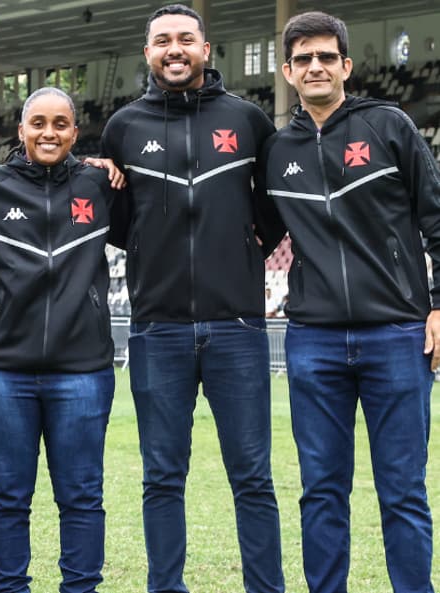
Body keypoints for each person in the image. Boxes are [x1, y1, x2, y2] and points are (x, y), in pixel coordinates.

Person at [100, 5, 286, 593]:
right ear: (148, 53)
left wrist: (243, 243)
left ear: (206, 49)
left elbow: (275, 205)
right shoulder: (123, 127)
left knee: (253, 477)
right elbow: (115, 217)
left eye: (185, 39)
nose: (173, 49)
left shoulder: (250, 120)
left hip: (238, 327)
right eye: (161, 41)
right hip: (158, 329)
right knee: (162, 477)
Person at [261, 11, 440, 593]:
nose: (315, 67)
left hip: (397, 334)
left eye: (326, 57)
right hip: (312, 340)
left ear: (346, 65)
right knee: (321, 489)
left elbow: (437, 220)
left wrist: (438, 306)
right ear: (288, 72)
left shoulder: (389, 125)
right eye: (303, 59)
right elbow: (243, 233)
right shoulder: (276, 149)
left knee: (404, 490)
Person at [0, 86, 117, 593]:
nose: (48, 133)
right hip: (2, 370)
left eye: (60, 124)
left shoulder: (100, 185)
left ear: (76, 132)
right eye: (38, 123)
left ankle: (81, 588)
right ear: (21, 131)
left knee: (81, 496)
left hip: (83, 371)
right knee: (7, 496)